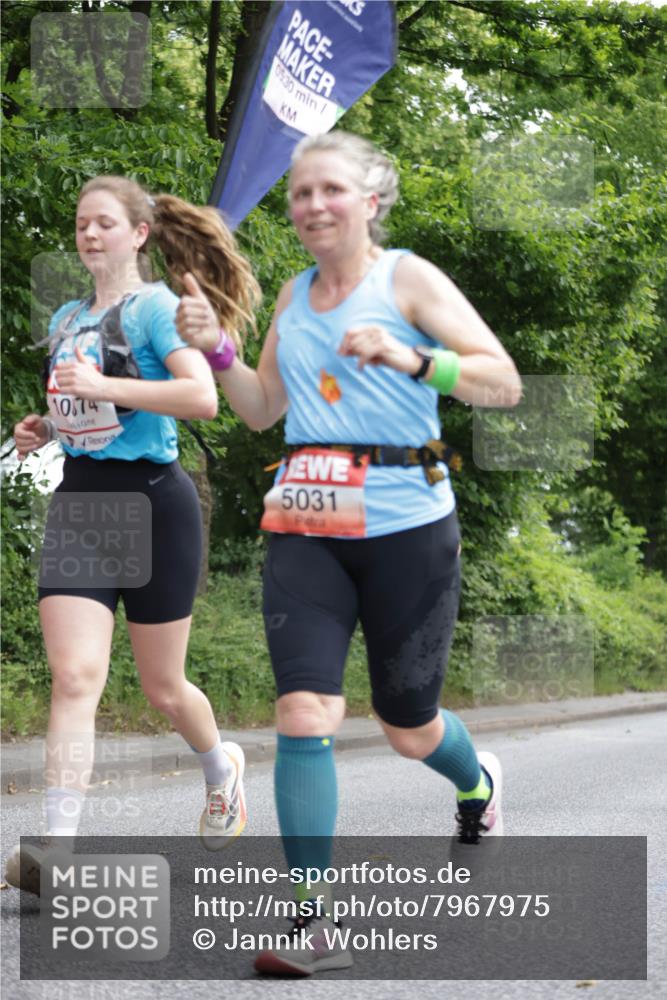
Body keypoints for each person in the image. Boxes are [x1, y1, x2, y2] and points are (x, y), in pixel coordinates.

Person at [176, 130, 522, 976]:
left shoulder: (405, 279)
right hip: (306, 528)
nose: (311, 206)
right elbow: (259, 409)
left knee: (406, 727)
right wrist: (216, 344)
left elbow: (501, 381)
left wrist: (411, 357)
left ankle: (475, 780)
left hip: (408, 529)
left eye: (330, 189)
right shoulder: (293, 297)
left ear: (370, 201)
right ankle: (311, 924)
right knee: (303, 714)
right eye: (299, 193)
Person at [5, 176, 260, 896]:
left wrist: (105, 388)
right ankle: (56, 849)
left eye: (105, 224)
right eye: (81, 223)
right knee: (76, 678)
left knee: (163, 688)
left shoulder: (156, 309)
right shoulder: (63, 317)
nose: (89, 235)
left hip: (155, 504)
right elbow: (83, 410)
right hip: (82, 504)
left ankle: (221, 769)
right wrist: (46, 427)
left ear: (139, 234)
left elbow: (201, 398)